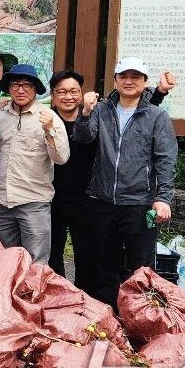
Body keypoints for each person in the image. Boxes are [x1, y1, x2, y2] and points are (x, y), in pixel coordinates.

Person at [73, 57, 178, 306]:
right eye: (124, 76)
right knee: (104, 265)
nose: (129, 81)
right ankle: (108, 317)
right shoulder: (101, 110)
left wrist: (163, 198)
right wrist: (85, 112)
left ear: (145, 82)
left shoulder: (156, 116)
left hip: (138, 203)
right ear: (115, 81)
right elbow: (83, 137)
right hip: (102, 201)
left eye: (135, 77)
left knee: (141, 268)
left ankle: (140, 317)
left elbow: (165, 159)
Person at [50, 69, 175, 277]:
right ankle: (57, 294)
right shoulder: (47, 118)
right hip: (53, 197)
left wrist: (159, 93)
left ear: (81, 94)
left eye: (73, 91)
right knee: (52, 256)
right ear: (53, 95)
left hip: (89, 199)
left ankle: (89, 295)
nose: (68, 96)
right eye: (61, 92)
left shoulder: (95, 113)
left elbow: (135, 113)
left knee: (90, 258)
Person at [0, 64, 68, 265]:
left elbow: (61, 158)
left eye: (27, 85)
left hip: (35, 201)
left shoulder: (49, 117)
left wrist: (49, 130)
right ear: (8, 88)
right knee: (0, 260)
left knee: (36, 263)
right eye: (15, 84)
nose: (21, 90)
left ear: (35, 88)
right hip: (2, 201)